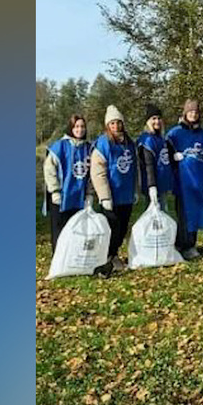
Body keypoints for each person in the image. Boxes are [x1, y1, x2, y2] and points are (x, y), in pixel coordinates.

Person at [89, 105, 138, 277]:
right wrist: (104, 196)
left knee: (122, 228)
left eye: (118, 122)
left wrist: (135, 189)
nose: (116, 126)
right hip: (111, 195)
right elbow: (98, 172)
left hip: (126, 194)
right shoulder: (103, 143)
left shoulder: (129, 143)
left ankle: (114, 254)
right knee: (112, 228)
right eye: (112, 123)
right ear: (107, 125)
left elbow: (134, 168)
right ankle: (107, 257)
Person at [166, 99, 203, 259]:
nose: (193, 114)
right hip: (181, 181)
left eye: (196, 112)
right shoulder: (174, 133)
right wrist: (173, 158)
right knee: (183, 214)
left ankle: (190, 244)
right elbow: (166, 154)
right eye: (191, 111)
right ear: (185, 113)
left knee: (194, 214)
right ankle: (183, 244)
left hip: (198, 181)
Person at [42, 114, 91, 252]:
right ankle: (58, 258)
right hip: (61, 197)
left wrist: (89, 193)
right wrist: (55, 191)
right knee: (59, 230)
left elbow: (91, 174)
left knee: (76, 230)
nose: (80, 129)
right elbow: (49, 169)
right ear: (71, 128)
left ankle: (73, 257)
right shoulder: (60, 146)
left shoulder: (88, 148)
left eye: (82, 126)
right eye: (76, 126)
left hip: (79, 197)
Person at [136, 104, 175, 212]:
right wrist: (152, 186)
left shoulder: (161, 138)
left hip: (162, 184)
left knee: (163, 213)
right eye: (153, 118)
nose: (157, 121)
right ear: (148, 121)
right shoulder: (147, 140)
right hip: (152, 184)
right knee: (153, 215)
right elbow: (148, 165)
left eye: (158, 118)